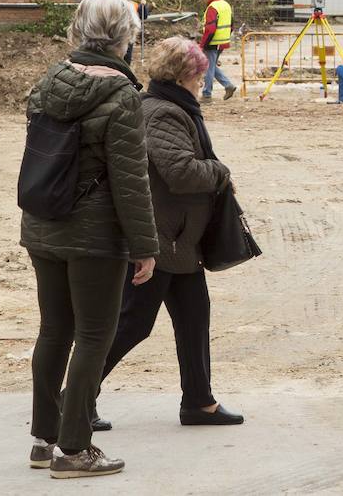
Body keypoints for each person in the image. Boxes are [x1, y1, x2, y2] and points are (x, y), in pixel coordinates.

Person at [21, 0, 159, 479]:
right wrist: (145, 246)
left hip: (43, 223)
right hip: (95, 235)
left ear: (77, 30)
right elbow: (131, 179)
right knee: (95, 335)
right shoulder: (122, 95)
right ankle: (74, 448)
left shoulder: (48, 82)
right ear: (126, 36)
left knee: (53, 331)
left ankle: (44, 440)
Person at [96, 38, 243, 428]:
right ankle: (73, 397)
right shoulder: (163, 113)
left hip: (180, 239)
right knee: (132, 324)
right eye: (199, 75)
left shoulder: (170, 106)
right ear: (183, 76)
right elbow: (180, 172)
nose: (202, 81)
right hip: (161, 238)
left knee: (194, 318)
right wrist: (220, 171)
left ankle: (199, 401)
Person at [196, 0, 237, 101]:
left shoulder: (212, 7)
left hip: (213, 42)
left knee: (208, 67)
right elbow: (232, 25)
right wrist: (225, 37)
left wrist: (203, 45)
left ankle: (207, 94)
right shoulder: (225, 5)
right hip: (223, 42)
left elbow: (210, 29)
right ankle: (228, 85)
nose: (202, 1)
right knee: (211, 66)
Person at [112, 0, 142, 64]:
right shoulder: (110, 5)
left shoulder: (133, 4)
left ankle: (125, 67)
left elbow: (143, 16)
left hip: (127, 32)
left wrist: (143, 6)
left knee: (127, 56)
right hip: (115, 33)